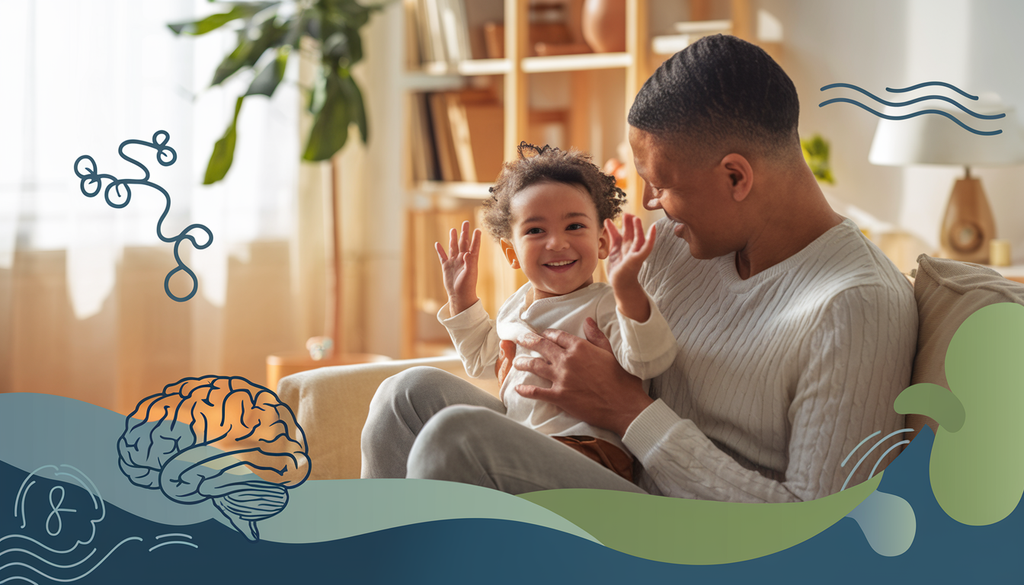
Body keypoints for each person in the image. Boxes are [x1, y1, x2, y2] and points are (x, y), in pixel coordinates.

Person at [361, 34, 917, 502]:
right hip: (600, 466)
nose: (648, 203)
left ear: (736, 177)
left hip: (690, 530)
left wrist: (628, 411)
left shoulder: (855, 305)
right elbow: (591, 319)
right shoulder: (677, 244)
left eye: (662, 185)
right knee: (403, 397)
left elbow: (820, 529)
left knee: (456, 440)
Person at [433, 143, 678, 482]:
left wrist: (629, 291)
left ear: (603, 240)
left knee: (456, 439)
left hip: (590, 454)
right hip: (524, 446)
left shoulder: (605, 302)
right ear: (512, 253)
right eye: (535, 231)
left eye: (574, 226)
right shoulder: (516, 306)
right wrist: (462, 301)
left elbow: (650, 360)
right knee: (411, 397)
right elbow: (482, 361)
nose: (557, 243)